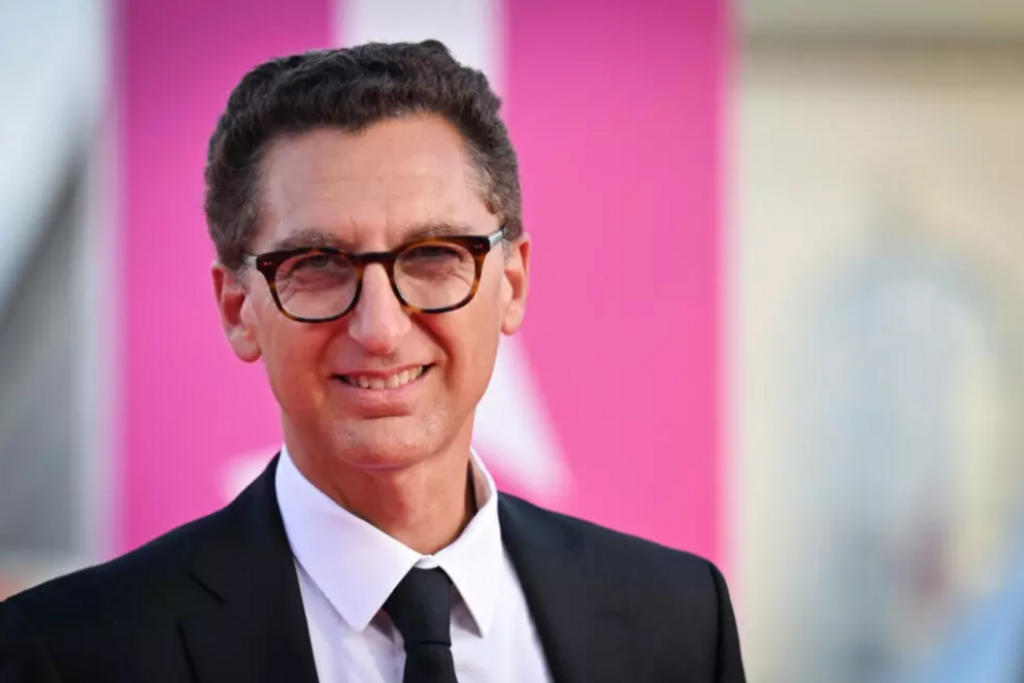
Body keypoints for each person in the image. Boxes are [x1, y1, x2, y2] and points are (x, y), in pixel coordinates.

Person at [0, 40, 745, 683]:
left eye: (433, 255)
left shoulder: (680, 618)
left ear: (511, 284)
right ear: (238, 308)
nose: (381, 328)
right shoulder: (67, 651)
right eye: (317, 264)